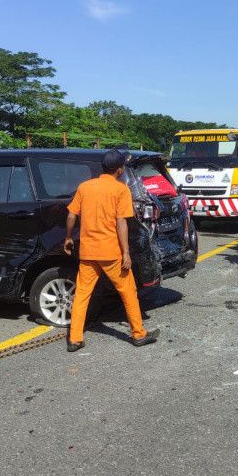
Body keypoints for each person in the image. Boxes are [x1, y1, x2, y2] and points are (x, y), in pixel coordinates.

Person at [64, 149, 159, 352]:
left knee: (82, 294)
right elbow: (121, 223)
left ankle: (74, 339)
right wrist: (126, 253)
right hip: (111, 253)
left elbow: (72, 215)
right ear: (120, 169)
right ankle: (138, 334)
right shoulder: (120, 190)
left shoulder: (85, 187)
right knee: (128, 291)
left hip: (88, 252)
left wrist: (69, 237)